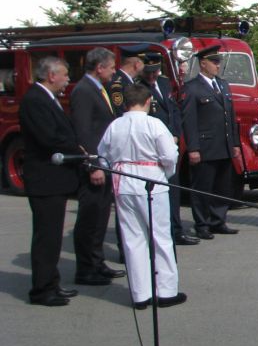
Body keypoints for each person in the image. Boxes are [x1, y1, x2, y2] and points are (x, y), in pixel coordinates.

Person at [98, 83, 186, 309]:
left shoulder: (115, 125)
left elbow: (102, 155)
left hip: (124, 183)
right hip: (151, 182)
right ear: (147, 101)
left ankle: (140, 294)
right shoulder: (153, 124)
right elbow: (169, 155)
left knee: (133, 239)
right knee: (160, 237)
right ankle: (166, 291)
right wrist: (166, 172)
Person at [20, 57, 81, 306]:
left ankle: (52, 283)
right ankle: (42, 289)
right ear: (51, 75)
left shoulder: (48, 98)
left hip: (55, 180)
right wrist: (76, 149)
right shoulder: (35, 100)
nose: (67, 80)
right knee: (46, 237)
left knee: (53, 236)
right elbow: (48, 137)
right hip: (45, 179)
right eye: (65, 75)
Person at [69, 47, 125, 285]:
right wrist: (93, 165)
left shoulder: (99, 89)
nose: (113, 72)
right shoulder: (83, 91)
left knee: (101, 217)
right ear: (99, 67)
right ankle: (86, 268)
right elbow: (83, 131)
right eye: (111, 68)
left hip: (105, 162)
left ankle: (97, 262)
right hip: (94, 165)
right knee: (89, 218)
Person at [181, 45, 241, 240]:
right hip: (205, 147)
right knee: (202, 188)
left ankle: (218, 220)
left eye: (218, 62)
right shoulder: (192, 88)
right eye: (214, 62)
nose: (217, 65)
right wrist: (193, 148)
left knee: (222, 186)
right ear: (203, 63)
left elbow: (230, 116)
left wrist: (235, 143)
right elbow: (189, 121)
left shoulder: (223, 85)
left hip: (224, 145)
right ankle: (202, 224)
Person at [139, 51, 195, 246]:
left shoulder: (164, 84)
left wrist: (177, 134)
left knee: (173, 190)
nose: (151, 76)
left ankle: (176, 230)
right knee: (157, 194)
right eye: (148, 72)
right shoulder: (139, 88)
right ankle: (160, 233)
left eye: (154, 71)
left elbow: (174, 111)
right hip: (153, 147)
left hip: (171, 143)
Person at [107, 45, 146, 117]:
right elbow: (119, 111)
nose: (144, 66)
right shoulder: (117, 84)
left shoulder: (128, 81)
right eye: (143, 62)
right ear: (137, 64)